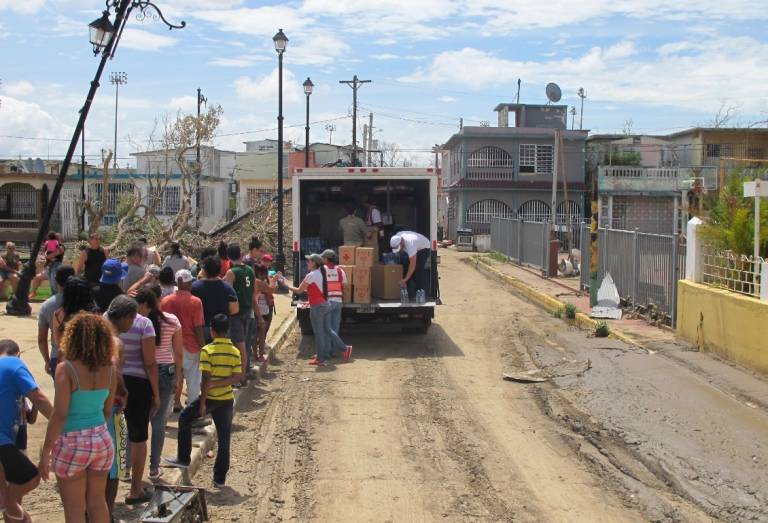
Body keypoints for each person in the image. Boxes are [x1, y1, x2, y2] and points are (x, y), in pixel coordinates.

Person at [38, 313, 117, 523]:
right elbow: (107, 411)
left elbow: (60, 414)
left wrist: (46, 449)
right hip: (101, 439)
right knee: (97, 501)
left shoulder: (67, 369)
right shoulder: (110, 369)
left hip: (72, 442)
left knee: (74, 508)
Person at [164, 314, 242, 488]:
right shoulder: (235, 351)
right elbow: (237, 376)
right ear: (227, 330)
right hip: (226, 399)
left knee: (184, 418)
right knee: (224, 440)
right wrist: (221, 383)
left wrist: (202, 403)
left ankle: (183, 458)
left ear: (212, 331)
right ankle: (219, 479)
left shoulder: (207, 350)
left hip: (211, 398)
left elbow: (205, 379)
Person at [0, 339, 53, 523]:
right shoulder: (14, 364)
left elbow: (31, 412)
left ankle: (8, 502)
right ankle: (8, 500)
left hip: (8, 441)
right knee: (32, 476)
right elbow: (39, 398)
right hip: (3, 440)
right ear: (19, 353)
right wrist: (63, 424)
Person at [135, 288, 182, 481]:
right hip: (165, 371)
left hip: (141, 372)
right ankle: (154, 468)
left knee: (137, 421)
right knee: (159, 422)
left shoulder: (137, 323)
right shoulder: (172, 321)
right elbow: (178, 353)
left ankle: (128, 467)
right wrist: (178, 377)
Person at [118, 292, 160, 505]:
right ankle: (135, 489)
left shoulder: (106, 318)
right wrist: (156, 393)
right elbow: (150, 362)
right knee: (138, 436)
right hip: (139, 383)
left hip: (113, 380)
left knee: (113, 434)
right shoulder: (144, 324)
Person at [285, 254, 351, 366]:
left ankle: (320, 358)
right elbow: (317, 290)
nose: (307, 263)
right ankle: (344, 348)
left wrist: (285, 285)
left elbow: (299, 291)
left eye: (309, 261)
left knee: (319, 333)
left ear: (314, 263)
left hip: (317, 307)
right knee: (328, 330)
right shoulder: (322, 273)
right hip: (325, 305)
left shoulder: (311, 275)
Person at [102, 296, 135, 518]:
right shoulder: (116, 342)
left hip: (91, 404)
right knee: (114, 466)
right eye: (132, 319)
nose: (132, 324)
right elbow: (115, 371)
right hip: (112, 407)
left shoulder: (95, 334)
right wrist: (123, 391)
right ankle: (107, 511)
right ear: (124, 318)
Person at [162, 270, 205, 413]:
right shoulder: (196, 301)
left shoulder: (166, 301)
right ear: (188, 283)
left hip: (170, 346)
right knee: (193, 380)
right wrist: (203, 346)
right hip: (190, 346)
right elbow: (198, 327)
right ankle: (192, 411)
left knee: (172, 378)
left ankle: (167, 411)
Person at [0, 341, 38, 457]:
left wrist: (35, 401)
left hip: (18, 441)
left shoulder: (19, 393)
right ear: (18, 355)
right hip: (13, 441)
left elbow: (31, 419)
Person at [38, 265, 76, 377]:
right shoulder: (83, 301)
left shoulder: (47, 306)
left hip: (57, 356)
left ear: (55, 280)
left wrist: (46, 360)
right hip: (81, 357)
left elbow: (41, 339)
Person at [224, 244, 254, 381]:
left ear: (229, 257)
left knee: (237, 345)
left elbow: (227, 292)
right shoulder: (249, 270)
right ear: (240, 254)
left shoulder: (231, 272)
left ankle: (239, 376)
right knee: (245, 343)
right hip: (248, 310)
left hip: (236, 312)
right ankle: (246, 371)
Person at [192, 256, 239, 343]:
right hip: (222, 330)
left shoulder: (194, 287)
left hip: (201, 329)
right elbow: (234, 310)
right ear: (219, 270)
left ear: (205, 270)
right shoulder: (227, 288)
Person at [52, 277, 98, 350]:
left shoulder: (58, 314)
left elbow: (59, 343)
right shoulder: (95, 314)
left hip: (69, 358)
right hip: (91, 357)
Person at [320, 249, 352, 355]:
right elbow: (345, 285)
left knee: (327, 330)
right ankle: (333, 351)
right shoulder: (340, 271)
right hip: (338, 302)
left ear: (326, 259)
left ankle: (328, 352)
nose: (322, 259)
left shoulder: (322, 270)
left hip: (328, 302)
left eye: (323, 258)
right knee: (334, 329)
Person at [391, 231, 431, 299]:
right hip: (413, 249)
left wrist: (405, 279)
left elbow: (413, 264)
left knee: (419, 271)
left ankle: (421, 296)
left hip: (423, 249)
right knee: (406, 268)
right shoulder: (397, 237)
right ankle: (409, 293)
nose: (399, 250)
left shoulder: (410, 244)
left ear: (401, 242)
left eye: (399, 248)